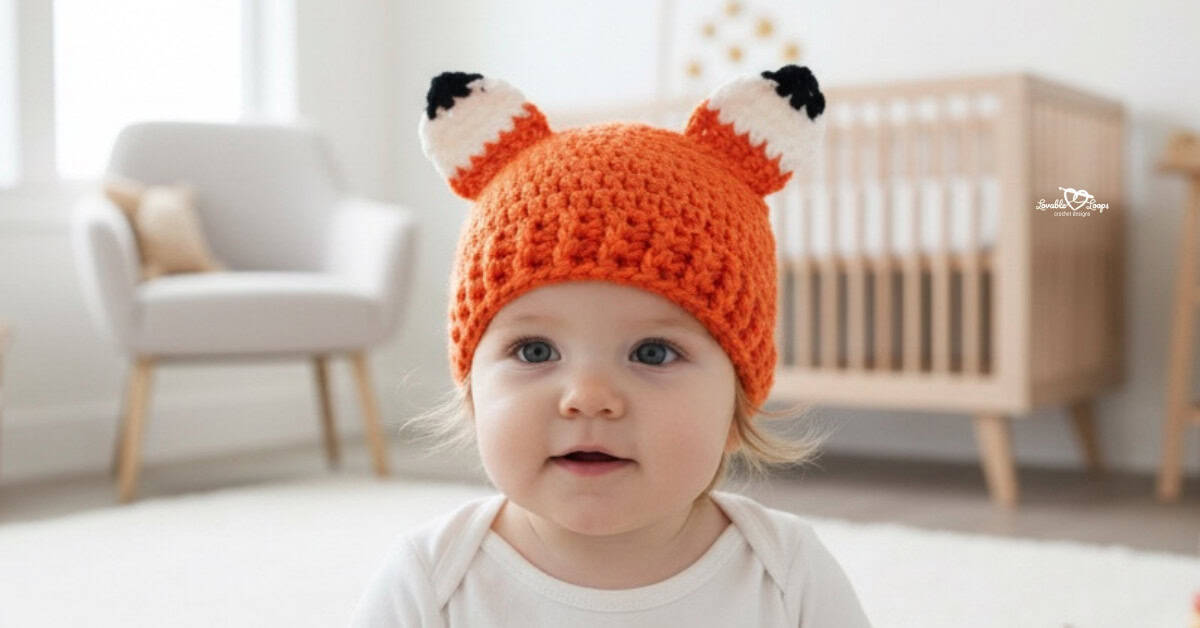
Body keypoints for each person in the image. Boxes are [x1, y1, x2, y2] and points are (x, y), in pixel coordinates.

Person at [350, 65, 872, 627]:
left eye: (652, 352)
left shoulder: (785, 573)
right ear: (472, 389)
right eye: (534, 351)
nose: (588, 397)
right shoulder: (432, 581)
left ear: (737, 401)